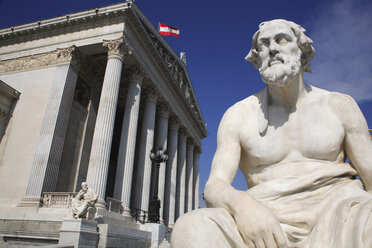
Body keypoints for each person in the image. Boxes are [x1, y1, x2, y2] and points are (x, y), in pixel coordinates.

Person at [171, 19, 372, 248]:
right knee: (191, 228)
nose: (273, 49)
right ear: (257, 59)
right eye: (264, 44)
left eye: (282, 40)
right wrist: (242, 205)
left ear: (302, 52)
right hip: (262, 222)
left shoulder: (340, 106)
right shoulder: (239, 115)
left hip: (341, 214)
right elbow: (214, 186)